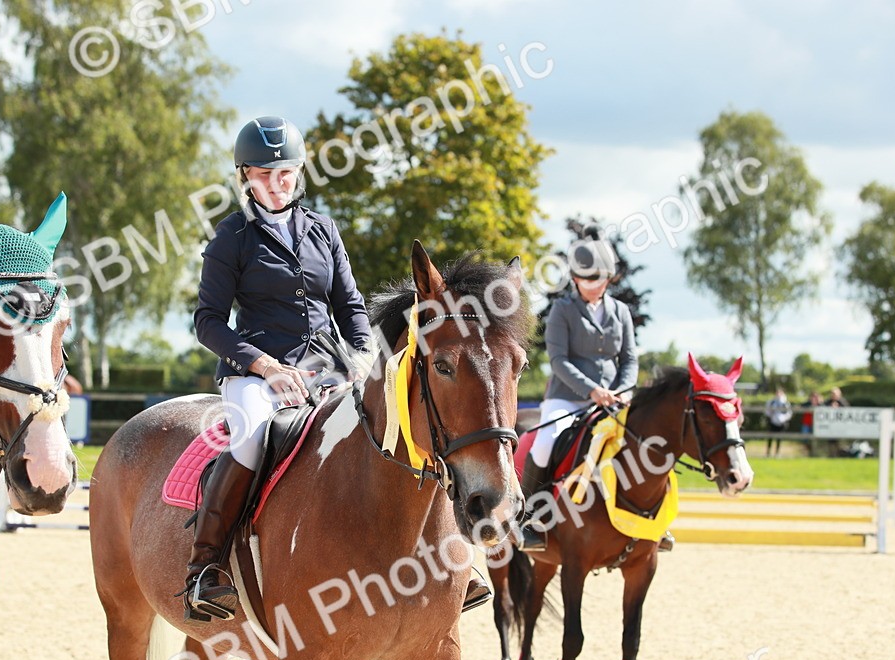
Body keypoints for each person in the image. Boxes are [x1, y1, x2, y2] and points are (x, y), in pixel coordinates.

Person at [187, 116, 494, 620]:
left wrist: (361, 357)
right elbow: (208, 322)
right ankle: (207, 567)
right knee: (250, 435)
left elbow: (350, 305)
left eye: (284, 172)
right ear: (244, 175)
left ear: (299, 173)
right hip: (258, 374)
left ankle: (456, 558)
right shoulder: (231, 238)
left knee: (413, 423)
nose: (275, 183)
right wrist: (263, 366)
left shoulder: (322, 230)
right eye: (263, 173)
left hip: (329, 368)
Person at [518, 237, 666, 550]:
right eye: (589, 279)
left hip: (615, 398)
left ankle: (655, 521)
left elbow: (629, 359)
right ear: (574, 278)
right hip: (567, 398)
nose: (596, 285)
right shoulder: (562, 310)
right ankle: (530, 518)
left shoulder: (621, 311)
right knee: (545, 442)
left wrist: (622, 390)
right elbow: (558, 361)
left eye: (602, 279)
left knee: (646, 441)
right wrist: (591, 390)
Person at [764, 386, 793, 457]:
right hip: (773, 421)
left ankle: (777, 453)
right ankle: (768, 452)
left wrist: (784, 419)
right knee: (770, 438)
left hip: (781, 423)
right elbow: (767, 411)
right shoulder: (772, 402)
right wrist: (771, 416)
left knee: (779, 439)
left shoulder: (785, 403)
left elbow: (789, 413)